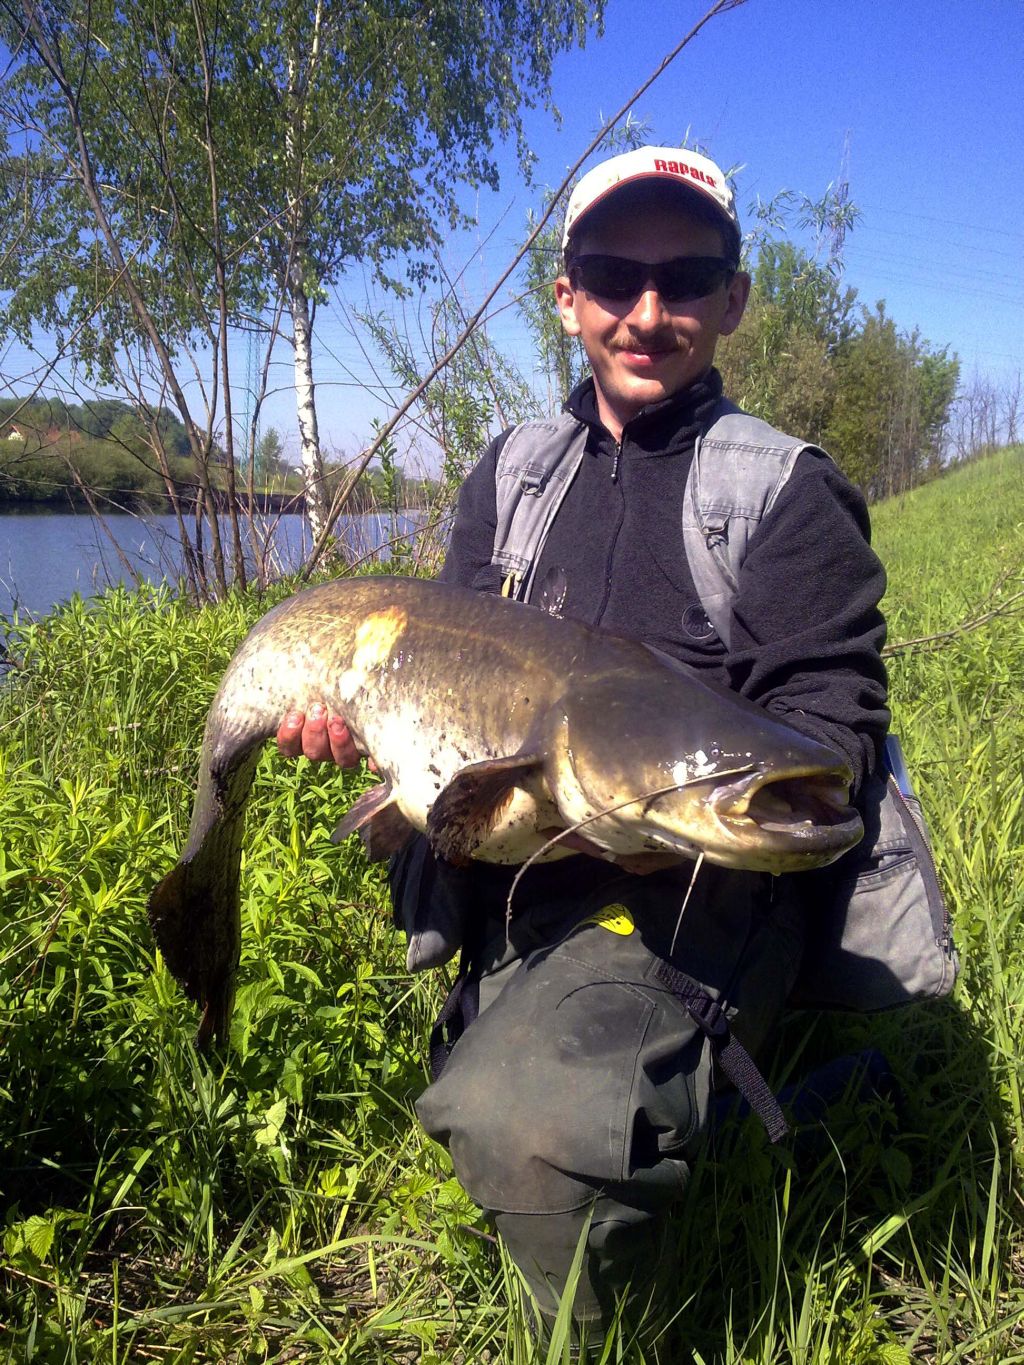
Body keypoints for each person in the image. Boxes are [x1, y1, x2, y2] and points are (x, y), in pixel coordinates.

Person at [276, 146, 889, 1338]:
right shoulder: (509, 469)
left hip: (693, 890)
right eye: (612, 276)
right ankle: (726, 1097)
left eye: (688, 278)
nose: (647, 313)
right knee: (491, 1072)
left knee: (530, 1127)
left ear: (733, 299)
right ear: (566, 298)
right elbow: (420, 658)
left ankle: (610, 1321)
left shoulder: (782, 493)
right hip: (513, 865)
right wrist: (357, 725)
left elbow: (833, 734)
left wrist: (661, 834)